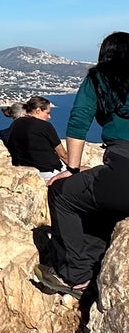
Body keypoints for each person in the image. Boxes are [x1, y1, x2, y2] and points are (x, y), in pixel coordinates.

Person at [38, 32, 129, 296]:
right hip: (119, 173)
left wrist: (72, 169)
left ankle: (75, 277)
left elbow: (78, 123)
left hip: (123, 168)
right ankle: (97, 255)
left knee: (62, 194)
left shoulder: (98, 79)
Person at [3, 96, 69, 177]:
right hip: (49, 172)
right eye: (47, 113)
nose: (49, 117)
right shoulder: (45, 126)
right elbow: (63, 155)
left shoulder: (15, 124)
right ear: (38, 110)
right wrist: (73, 169)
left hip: (26, 171)